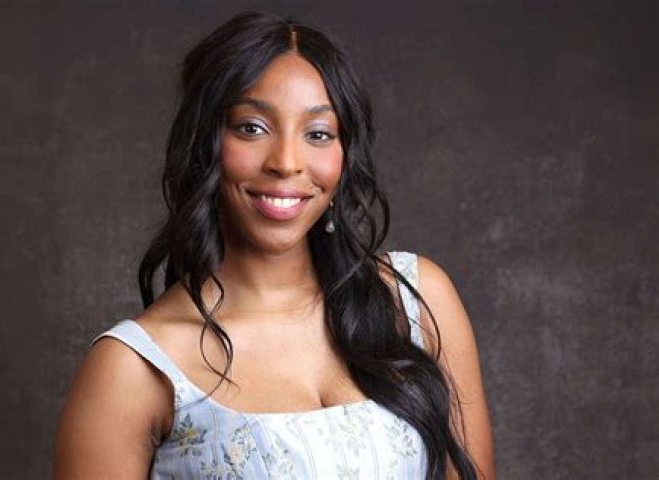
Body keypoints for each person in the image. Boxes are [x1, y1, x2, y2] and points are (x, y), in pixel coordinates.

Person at [54, 11, 495, 480]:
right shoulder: (134, 369)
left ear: (345, 155)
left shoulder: (417, 301)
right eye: (252, 128)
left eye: (318, 134)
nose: (286, 163)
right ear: (204, 142)